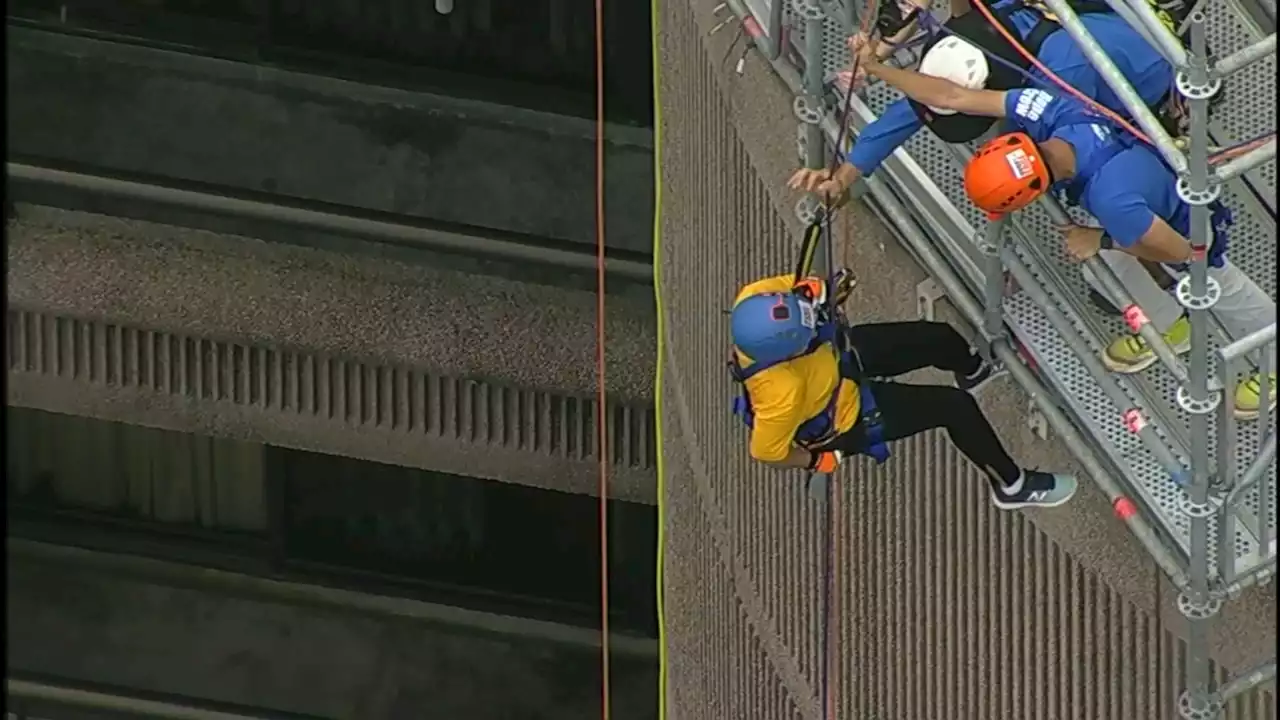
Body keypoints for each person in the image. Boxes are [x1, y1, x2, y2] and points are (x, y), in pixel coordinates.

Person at [851, 40, 1277, 419]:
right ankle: (1173, 326)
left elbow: (1182, 250)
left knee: (1220, 286)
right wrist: (878, 68)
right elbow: (955, 95)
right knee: (1103, 269)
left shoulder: (1112, 201)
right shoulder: (1053, 110)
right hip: (1146, 188)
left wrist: (1103, 239)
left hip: (1184, 223)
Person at [729, 271, 1078, 508]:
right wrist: (816, 460)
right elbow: (767, 452)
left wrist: (819, 292)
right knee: (954, 407)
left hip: (840, 356)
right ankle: (1012, 485)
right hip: (850, 414)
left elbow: (805, 290)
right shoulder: (780, 394)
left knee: (937, 336)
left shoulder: (753, 298)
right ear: (788, 351)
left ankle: (975, 370)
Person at [790, 0, 1174, 201]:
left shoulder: (1058, 83)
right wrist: (843, 177)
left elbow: (1081, 144)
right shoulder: (989, 18)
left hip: (1149, 77)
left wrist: (876, 66)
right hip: (1106, 24)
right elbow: (918, 106)